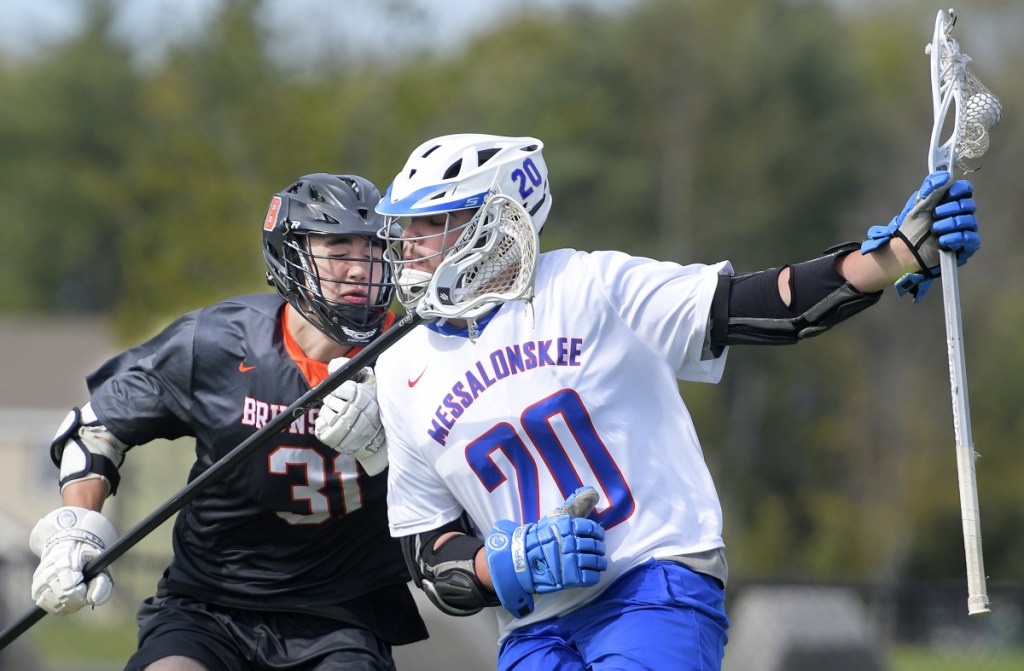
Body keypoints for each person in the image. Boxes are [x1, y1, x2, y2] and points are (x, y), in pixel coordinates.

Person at [315, 134, 981, 671]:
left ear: (485, 222)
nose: (406, 246)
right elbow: (430, 558)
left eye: (429, 223)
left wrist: (892, 256)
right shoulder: (401, 366)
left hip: (653, 581)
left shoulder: (588, 284)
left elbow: (759, 306)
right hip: (533, 625)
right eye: (406, 227)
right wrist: (508, 564)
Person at [29, 173, 428, 671]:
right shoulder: (218, 342)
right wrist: (78, 529)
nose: (359, 269)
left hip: (340, 615)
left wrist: (395, 445)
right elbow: (95, 430)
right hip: (207, 604)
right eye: (338, 248)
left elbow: (464, 480)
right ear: (292, 255)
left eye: (372, 250)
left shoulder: (419, 356)